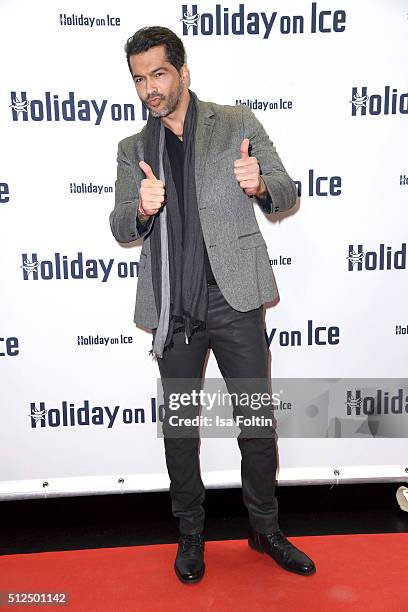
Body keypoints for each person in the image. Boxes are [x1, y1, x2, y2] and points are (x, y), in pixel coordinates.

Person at [109, 25, 316, 584]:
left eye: (158, 74)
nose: (149, 88)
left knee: (255, 422)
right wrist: (142, 210)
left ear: (182, 71)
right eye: (139, 79)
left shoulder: (236, 121)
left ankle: (265, 527)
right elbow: (119, 224)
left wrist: (259, 185)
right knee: (180, 428)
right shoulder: (134, 149)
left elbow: (286, 188)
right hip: (173, 307)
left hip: (234, 297)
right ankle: (191, 531)